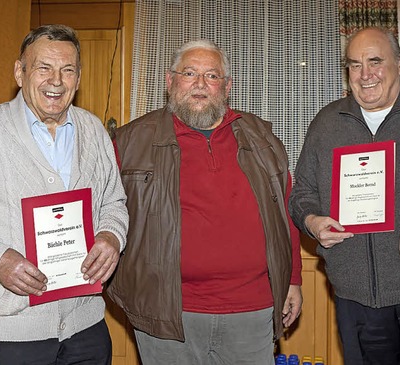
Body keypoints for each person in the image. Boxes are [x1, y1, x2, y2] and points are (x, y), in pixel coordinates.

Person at [106, 39, 303, 365]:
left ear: (227, 87)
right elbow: (103, 212)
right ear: (170, 82)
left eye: (212, 76)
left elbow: (284, 213)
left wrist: (293, 278)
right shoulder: (129, 142)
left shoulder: (262, 139)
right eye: (189, 73)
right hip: (166, 313)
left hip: (252, 311)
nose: (200, 84)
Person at [0, 24, 128, 363]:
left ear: (78, 77)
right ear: (20, 72)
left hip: (87, 326)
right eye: (43, 67)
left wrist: (111, 236)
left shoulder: (94, 130)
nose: (56, 80)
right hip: (14, 331)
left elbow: (114, 202)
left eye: (67, 69)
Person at [289, 27, 400, 365]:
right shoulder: (327, 123)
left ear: (399, 63)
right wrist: (313, 222)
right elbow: (302, 194)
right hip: (355, 295)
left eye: (375, 61)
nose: (365, 75)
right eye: (355, 65)